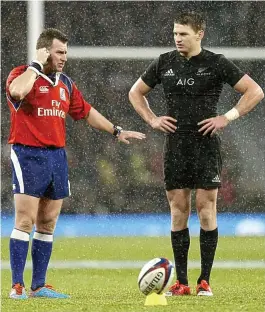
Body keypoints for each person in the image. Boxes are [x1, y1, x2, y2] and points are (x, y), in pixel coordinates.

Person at [129, 12, 264, 296]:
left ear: (199, 34)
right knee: (178, 211)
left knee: (206, 210)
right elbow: (135, 93)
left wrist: (227, 117)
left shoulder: (216, 63)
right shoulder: (164, 62)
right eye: (175, 34)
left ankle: (204, 281)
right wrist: (153, 119)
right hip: (176, 147)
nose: (177, 39)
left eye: (183, 34)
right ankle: (181, 282)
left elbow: (254, 91)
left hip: (205, 146)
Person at [6, 28, 146, 300]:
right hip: (28, 154)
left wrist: (116, 131)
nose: (64, 57)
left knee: (48, 222)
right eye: (59, 52)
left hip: (57, 156)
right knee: (25, 220)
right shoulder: (22, 74)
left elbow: (87, 112)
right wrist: (35, 65)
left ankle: (38, 286)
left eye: (66, 52)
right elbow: (17, 91)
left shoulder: (65, 84)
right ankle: (17, 286)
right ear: (44, 51)